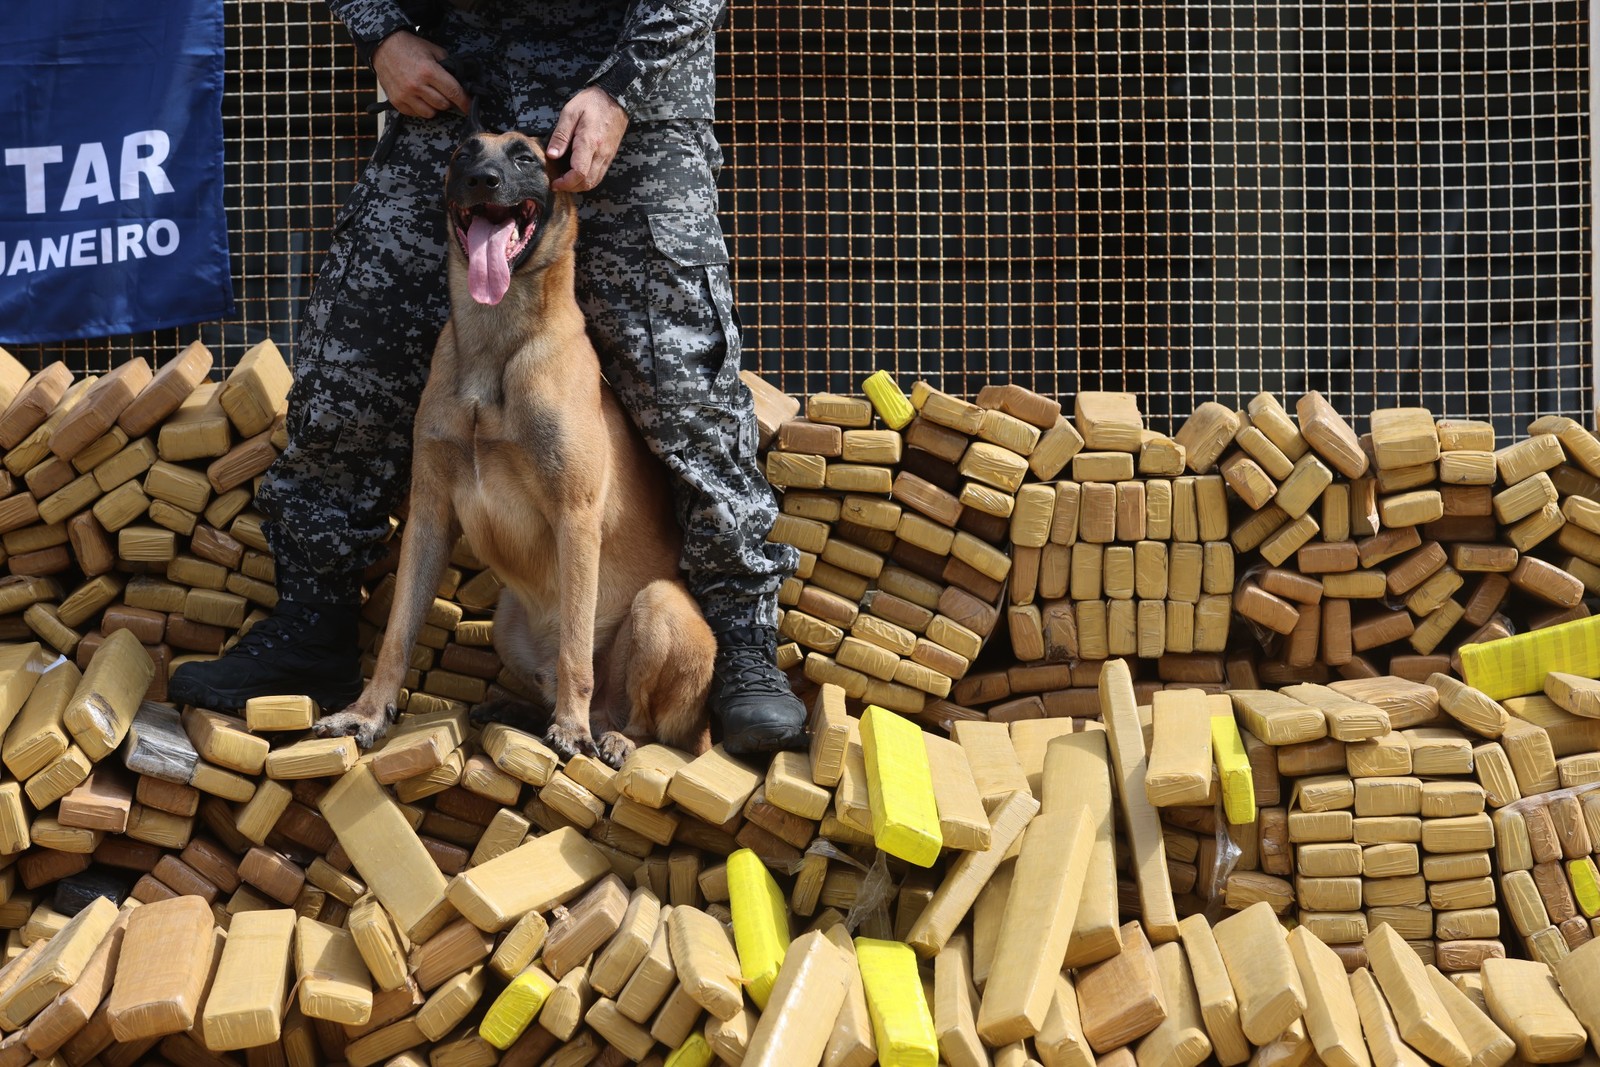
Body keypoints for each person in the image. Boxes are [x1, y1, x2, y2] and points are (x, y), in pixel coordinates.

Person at [168, 0, 808, 756]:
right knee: (352, 356)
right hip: (462, 81)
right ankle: (315, 619)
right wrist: (380, 35)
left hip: (627, 85)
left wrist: (622, 88)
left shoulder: (626, 87)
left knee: (684, 385)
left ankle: (736, 642)